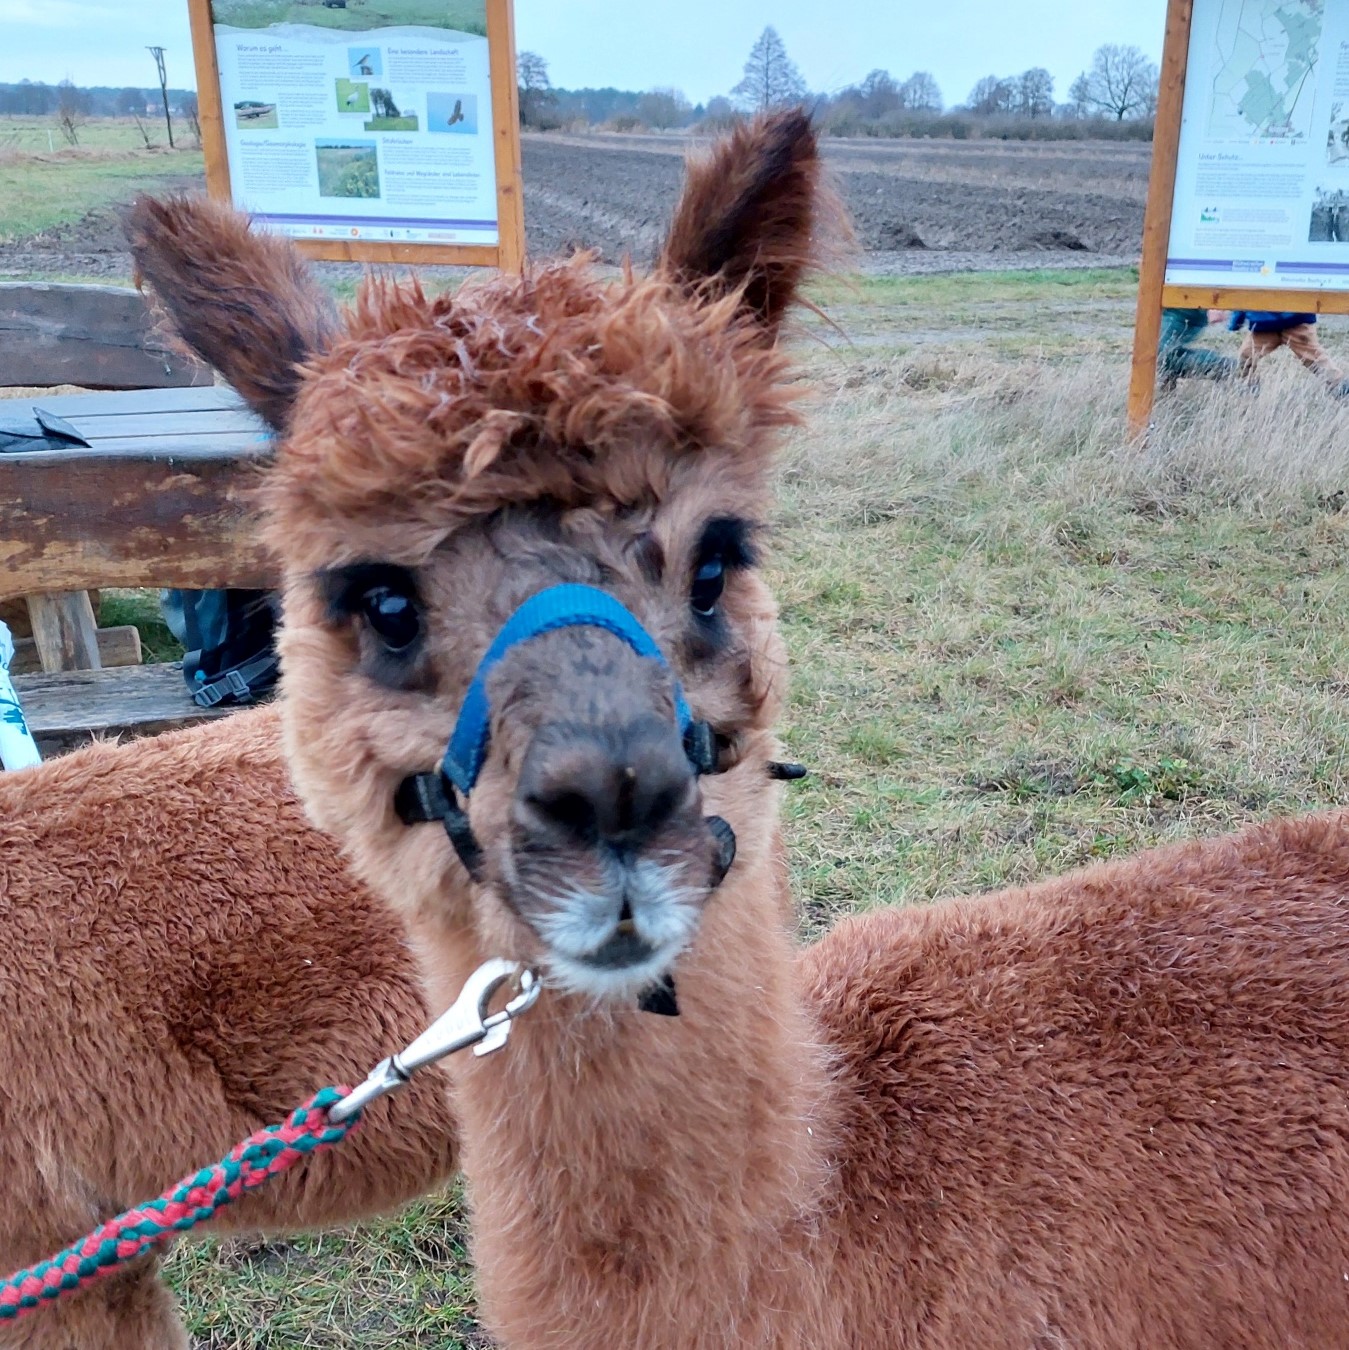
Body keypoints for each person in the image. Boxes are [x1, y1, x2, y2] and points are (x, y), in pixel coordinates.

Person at [1229, 310, 1349, 397]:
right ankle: (1249, 390)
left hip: (1296, 322)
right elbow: (1244, 292)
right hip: (1263, 326)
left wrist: (1236, 321)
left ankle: (1340, 388)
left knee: (1316, 360)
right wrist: (1237, 319)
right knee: (1246, 358)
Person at [1158, 307, 1236, 390]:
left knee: (1162, 353)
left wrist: (1215, 306)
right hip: (1172, 306)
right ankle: (1167, 387)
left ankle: (1224, 366)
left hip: (1184, 307)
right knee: (1165, 352)